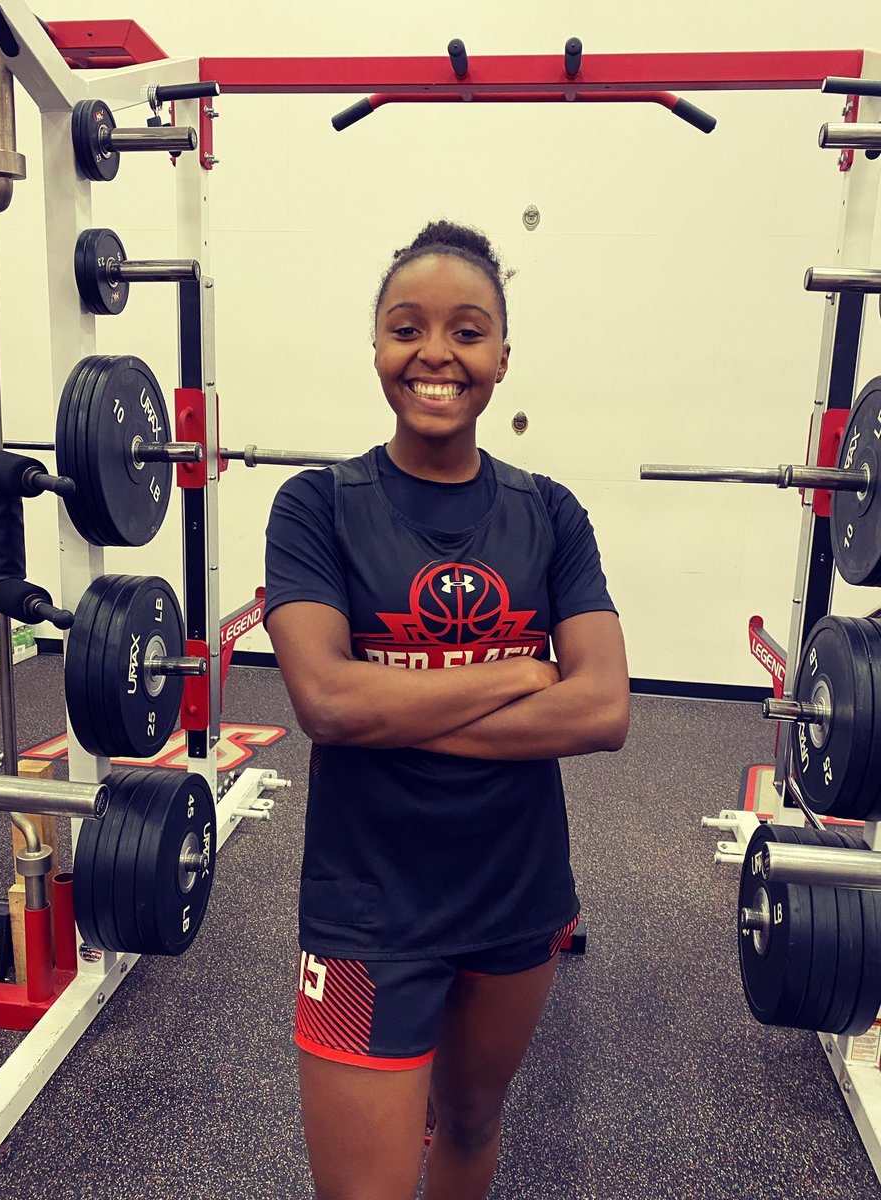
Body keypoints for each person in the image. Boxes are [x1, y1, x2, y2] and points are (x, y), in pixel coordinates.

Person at [264, 219, 630, 1200]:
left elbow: (601, 709)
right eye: (406, 327)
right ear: (377, 346)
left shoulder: (549, 512)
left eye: (468, 331)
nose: (436, 353)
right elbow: (329, 703)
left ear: (502, 357)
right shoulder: (315, 507)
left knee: (471, 1124)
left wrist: (399, 703)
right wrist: (517, 674)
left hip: (516, 896)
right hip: (364, 907)